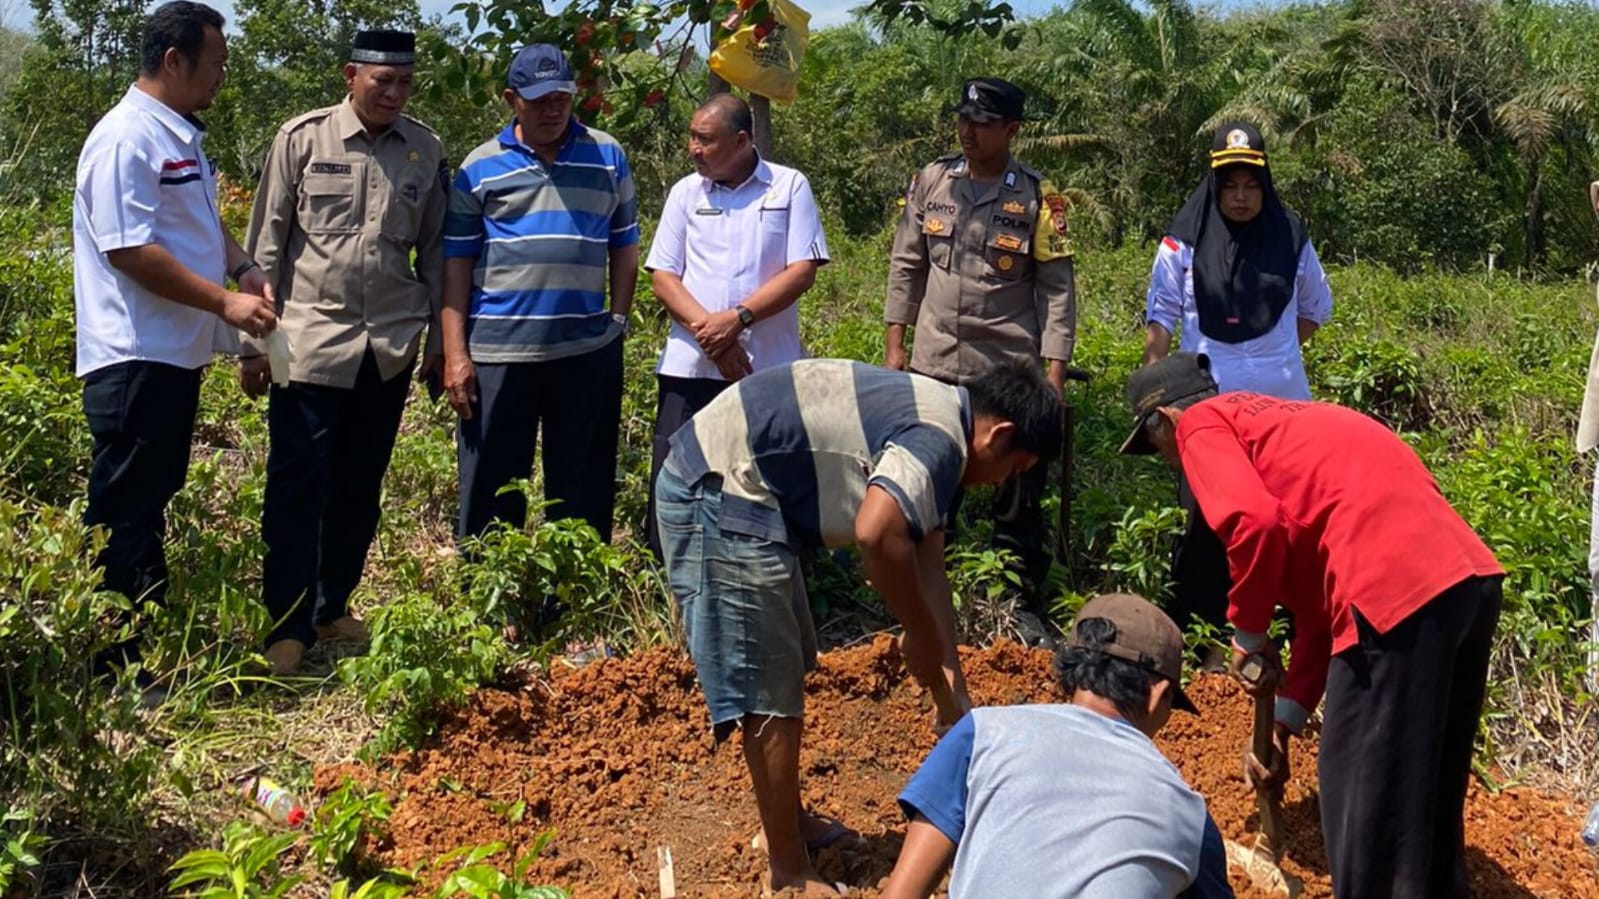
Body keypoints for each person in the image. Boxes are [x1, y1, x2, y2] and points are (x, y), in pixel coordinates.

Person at [656, 357, 1062, 896]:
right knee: (768, 682)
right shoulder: (938, 441)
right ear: (1000, 434)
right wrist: (915, 632)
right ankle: (788, 871)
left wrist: (954, 695)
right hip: (719, 485)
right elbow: (876, 532)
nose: (1001, 483)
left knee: (783, 665)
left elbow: (928, 567)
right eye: (1014, 469)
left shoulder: (947, 426)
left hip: (753, 490)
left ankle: (790, 824)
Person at [1122, 352, 1505, 899]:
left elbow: (1253, 524)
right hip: (1466, 584)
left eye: (1156, 448)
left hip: (1393, 595)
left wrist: (1247, 635)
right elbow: (1320, 614)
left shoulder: (1201, 425)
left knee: (1363, 797)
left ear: (1163, 420)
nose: (1169, 463)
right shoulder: (1282, 427)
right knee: (1425, 798)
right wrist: (1283, 722)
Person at [72, 0, 277, 695]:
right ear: (173, 61)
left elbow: (194, 225)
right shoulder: (126, 137)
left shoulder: (178, 137)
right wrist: (225, 302)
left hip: (170, 356)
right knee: (124, 513)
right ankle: (112, 674)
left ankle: (139, 659)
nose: (221, 76)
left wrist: (243, 266)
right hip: (133, 356)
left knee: (149, 502)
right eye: (215, 63)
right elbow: (129, 247)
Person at [238, 30, 447, 675]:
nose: (393, 93)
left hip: (386, 348)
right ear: (351, 76)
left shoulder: (425, 149)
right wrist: (253, 345)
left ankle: (333, 606)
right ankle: (287, 624)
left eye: (404, 83)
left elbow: (437, 253)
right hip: (308, 345)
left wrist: (440, 340)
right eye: (381, 81)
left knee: (360, 487)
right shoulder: (302, 139)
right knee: (297, 487)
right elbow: (265, 247)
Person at [881, 592, 1233, 899]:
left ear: (1072, 671)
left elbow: (903, 893)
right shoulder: (1190, 815)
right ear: (1158, 696)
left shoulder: (982, 734)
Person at [441, 44, 638, 570]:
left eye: (561, 98)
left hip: (586, 349)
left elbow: (624, 244)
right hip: (498, 352)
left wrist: (616, 321)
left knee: (583, 480)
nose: (553, 109)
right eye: (539, 100)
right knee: (491, 484)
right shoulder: (479, 168)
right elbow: (456, 264)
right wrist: (455, 353)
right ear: (511, 100)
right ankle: (489, 603)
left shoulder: (607, 155)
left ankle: (571, 597)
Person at [884, 77, 1076, 617]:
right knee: (928, 479)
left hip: (1007, 370)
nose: (969, 132)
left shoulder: (1042, 197)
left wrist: (1054, 379)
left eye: (983, 124)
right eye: (963, 120)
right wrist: (895, 345)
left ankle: (1014, 597)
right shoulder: (931, 183)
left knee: (1017, 488)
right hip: (935, 361)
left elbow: (1057, 291)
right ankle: (919, 591)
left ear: (1011, 130)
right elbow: (906, 266)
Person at [1141, 122, 1333, 644]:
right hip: (1211, 411)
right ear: (1214, 186)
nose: (1241, 197)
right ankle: (1209, 633)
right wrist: (1157, 397)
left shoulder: (1291, 237)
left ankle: (1291, 628)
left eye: (1251, 186)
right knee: (1213, 521)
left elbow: (1316, 308)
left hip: (1285, 412)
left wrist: (1271, 353)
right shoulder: (1181, 243)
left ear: (1264, 185)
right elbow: (1160, 316)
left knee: (1290, 518)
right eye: (1230, 186)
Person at [642, 93, 828, 556]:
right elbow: (663, 277)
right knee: (675, 476)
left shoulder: (787, 187)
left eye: (704, 140)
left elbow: (801, 270)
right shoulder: (686, 193)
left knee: (765, 476)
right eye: (691, 137)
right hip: (692, 366)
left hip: (765, 368)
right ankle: (666, 576)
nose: (693, 148)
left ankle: (771, 576)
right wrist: (715, 336)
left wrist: (739, 318)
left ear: (742, 140)